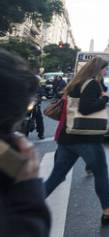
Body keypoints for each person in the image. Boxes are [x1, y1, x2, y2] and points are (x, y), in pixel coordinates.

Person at [44, 57, 109, 225]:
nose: (106, 71)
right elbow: (85, 108)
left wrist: (102, 86)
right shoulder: (90, 84)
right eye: (105, 69)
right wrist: (104, 98)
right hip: (87, 138)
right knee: (101, 173)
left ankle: (25, 206)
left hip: (68, 137)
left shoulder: (78, 83)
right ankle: (108, 210)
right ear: (98, 69)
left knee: (56, 176)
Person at [0, 49, 51, 236]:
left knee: (38, 117)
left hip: (35, 105)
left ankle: (40, 131)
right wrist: (27, 182)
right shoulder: (7, 156)